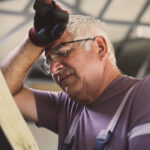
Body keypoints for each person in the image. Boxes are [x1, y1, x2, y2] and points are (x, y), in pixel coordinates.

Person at [1, 1, 150, 150]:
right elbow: (3, 95)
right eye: (48, 62)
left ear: (100, 47)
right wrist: (35, 40)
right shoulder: (67, 107)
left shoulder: (143, 95)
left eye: (63, 52)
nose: (53, 69)